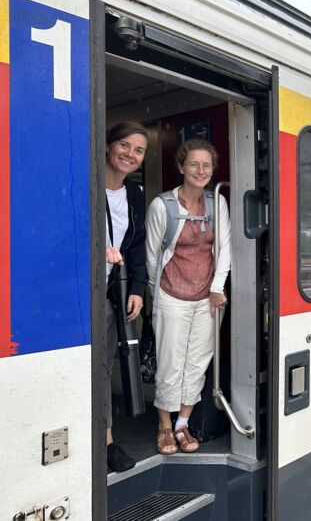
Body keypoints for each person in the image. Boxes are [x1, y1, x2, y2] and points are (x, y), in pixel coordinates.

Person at [146, 138, 231, 455]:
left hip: (206, 299)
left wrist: (216, 287)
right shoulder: (162, 206)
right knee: (170, 364)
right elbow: (153, 257)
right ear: (181, 166)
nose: (200, 170)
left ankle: (183, 424)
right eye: (193, 164)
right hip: (171, 296)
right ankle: (165, 427)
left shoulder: (216, 203)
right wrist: (160, 294)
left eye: (206, 165)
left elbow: (224, 250)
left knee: (197, 363)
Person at [104, 121, 148, 472]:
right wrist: (97, 249)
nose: (129, 154)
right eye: (123, 145)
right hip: (75, 290)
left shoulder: (133, 194)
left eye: (138, 150)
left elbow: (135, 246)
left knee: (102, 369)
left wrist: (137, 289)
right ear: (107, 146)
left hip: (110, 291)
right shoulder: (85, 182)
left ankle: (105, 444)